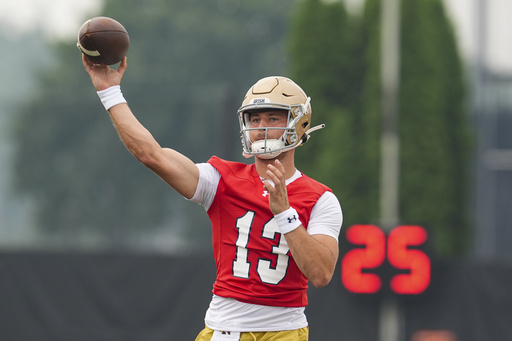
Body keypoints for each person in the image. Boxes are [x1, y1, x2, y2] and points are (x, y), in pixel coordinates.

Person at [82, 55, 342, 341]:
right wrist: (109, 91)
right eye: (255, 118)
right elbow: (152, 155)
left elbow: (321, 274)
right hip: (224, 328)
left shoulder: (320, 199)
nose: (261, 127)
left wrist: (285, 213)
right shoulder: (222, 179)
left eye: (273, 118)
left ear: (299, 123)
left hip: (284, 331)